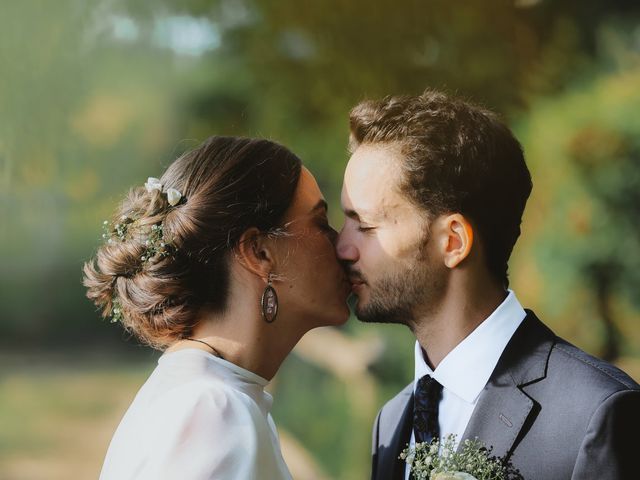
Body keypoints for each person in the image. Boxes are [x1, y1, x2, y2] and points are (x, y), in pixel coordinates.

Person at [336, 90, 640, 479]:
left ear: (453, 241)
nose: (342, 248)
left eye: (364, 225)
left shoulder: (594, 414)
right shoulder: (392, 420)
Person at [84, 136, 350, 480]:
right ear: (259, 252)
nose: (342, 245)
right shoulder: (212, 412)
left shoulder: (216, 399)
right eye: (320, 222)